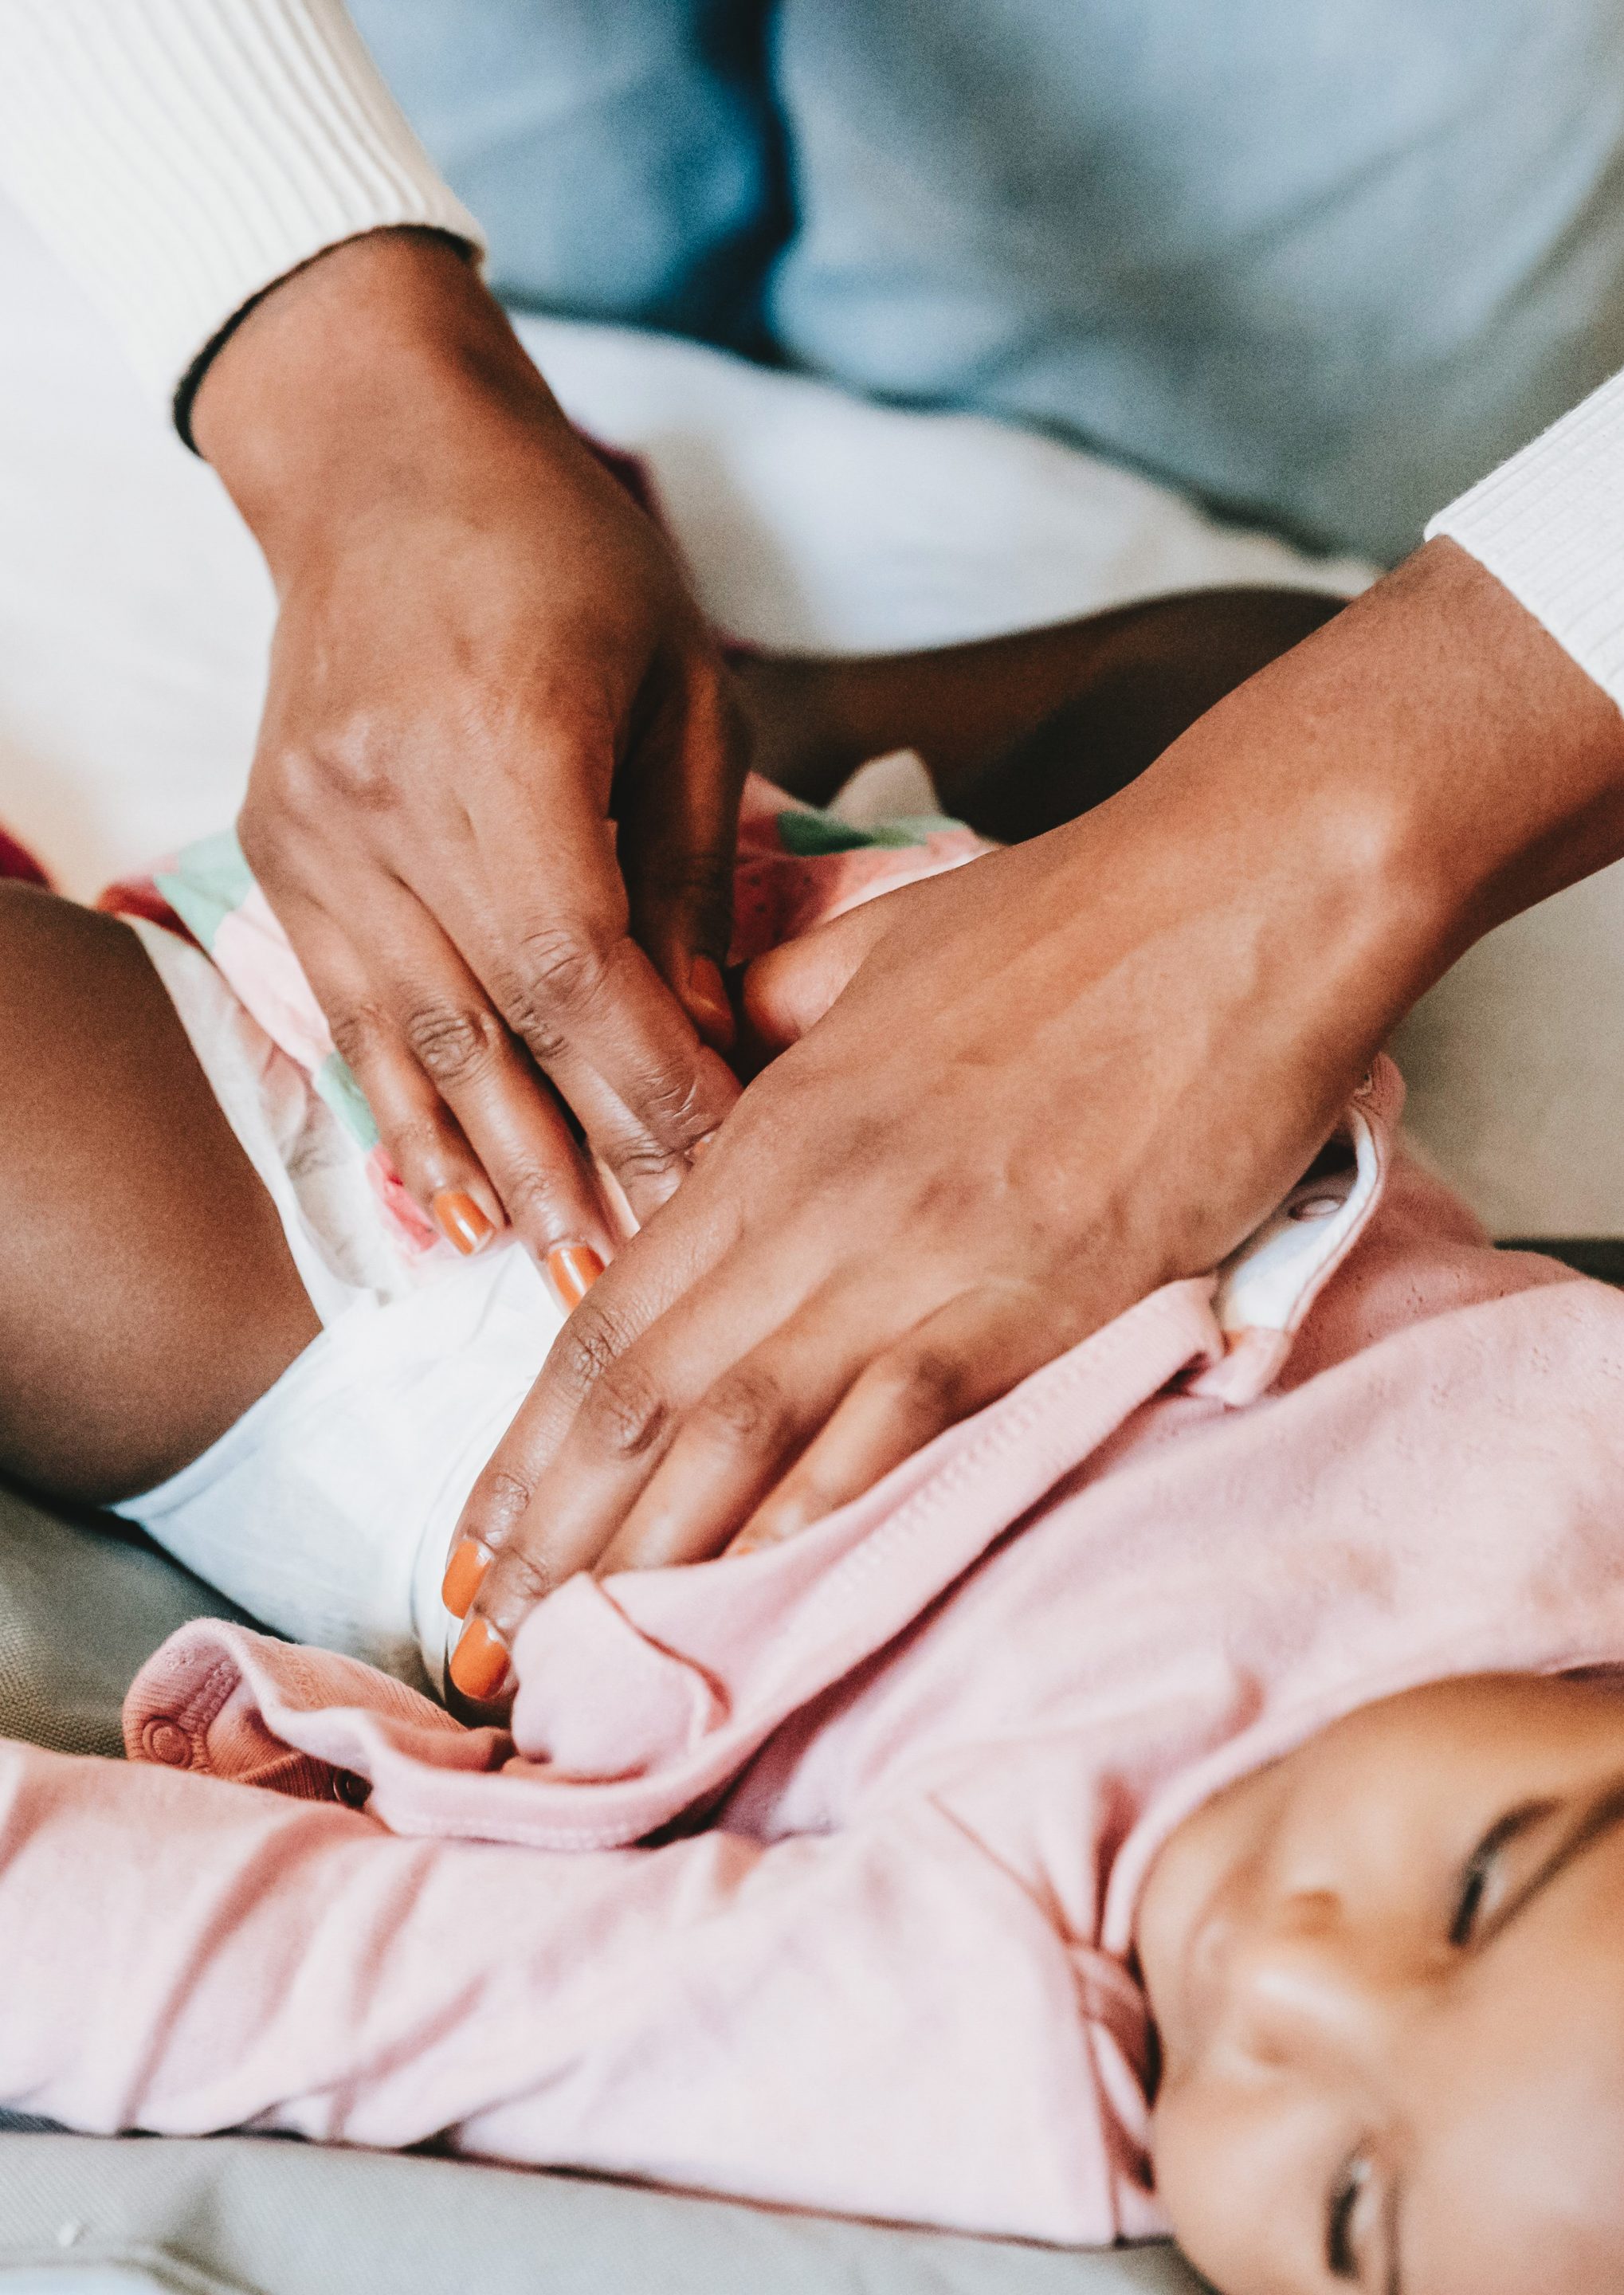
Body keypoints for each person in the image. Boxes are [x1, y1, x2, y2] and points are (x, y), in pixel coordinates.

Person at [6, 3, 1624, 1675]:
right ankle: (731, 722)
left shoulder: (1017, 1891)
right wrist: (352, 384)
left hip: (393, 1285)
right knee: (1288, 655)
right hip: (995, 959)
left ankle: (671, 717)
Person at [1, 634, 1624, 2286]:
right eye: (1484, 1880)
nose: (1286, 1986)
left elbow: (342, 1986)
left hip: (489, 1296)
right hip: (1041, 967)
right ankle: (785, 712)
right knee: (1269, 642)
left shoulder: (985, 2036)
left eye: (1351, 2211)